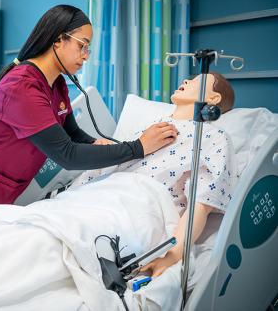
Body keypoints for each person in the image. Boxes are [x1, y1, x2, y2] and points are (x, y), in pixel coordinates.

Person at [0, 5, 178, 208]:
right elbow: (66, 154)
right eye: (82, 45)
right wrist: (138, 148)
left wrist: (94, 144)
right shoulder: (21, 87)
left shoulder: (56, 84)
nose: (86, 55)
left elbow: (73, 133)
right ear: (58, 40)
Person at [72, 72, 237, 277]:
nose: (185, 80)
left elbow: (201, 203)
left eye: (196, 81)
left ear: (213, 99)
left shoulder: (213, 137)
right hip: (93, 196)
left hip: (137, 206)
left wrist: (174, 254)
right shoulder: (150, 128)